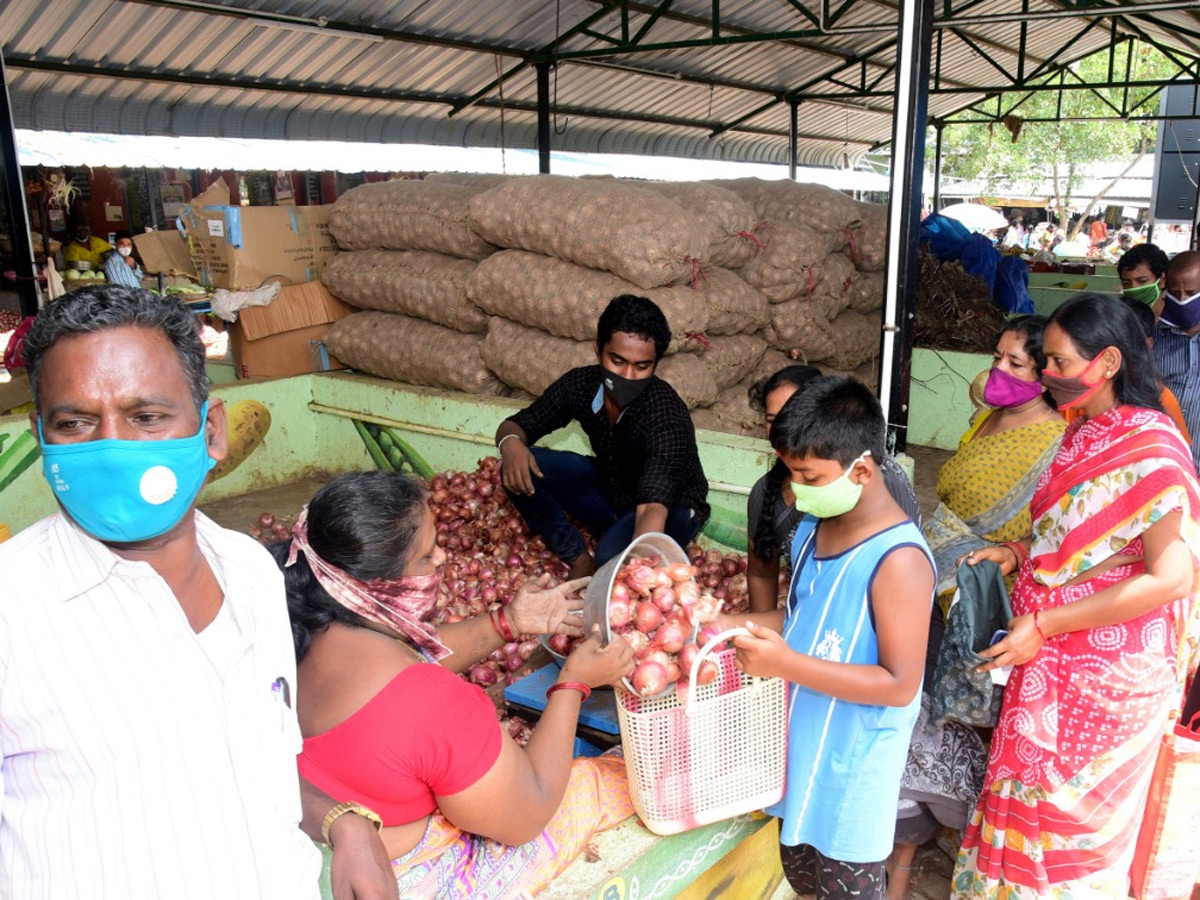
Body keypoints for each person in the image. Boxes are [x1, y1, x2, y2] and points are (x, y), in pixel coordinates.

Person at [0, 285, 396, 899]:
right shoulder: (12, 609)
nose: (113, 449)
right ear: (42, 437)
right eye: (75, 423)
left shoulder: (251, 574)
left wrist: (344, 824)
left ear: (210, 432)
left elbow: (251, 763)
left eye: (147, 417)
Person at [278, 471, 636, 897]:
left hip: (321, 839)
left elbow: (408, 663)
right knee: (603, 783)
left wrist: (509, 623)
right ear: (378, 588)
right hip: (401, 876)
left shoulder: (290, 632)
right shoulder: (433, 704)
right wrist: (573, 683)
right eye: (427, 557)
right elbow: (529, 813)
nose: (444, 558)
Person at [952, 292, 1200, 897]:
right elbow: (1064, 534)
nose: (1048, 376)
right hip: (1047, 651)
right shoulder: (1083, 431)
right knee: (1021, 797)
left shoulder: (1152, 446)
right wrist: (1016, 555)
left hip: (1105, 673)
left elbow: (1171, 577)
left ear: (1108, 363)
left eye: (1059, 363)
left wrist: (1049, 623)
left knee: (1071, 832)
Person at [723, 376, 936, 900]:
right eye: (790, 473)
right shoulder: (813, 529)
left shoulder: (899, 561)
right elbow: (799, 622)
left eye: (807, 476)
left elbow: (898, 684)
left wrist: (785, 664)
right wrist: (722, 626)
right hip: (800, 757)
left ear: (862, 469)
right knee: (803, 882)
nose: (793, 491)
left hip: (850, 778)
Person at [496, 295, 709, 578]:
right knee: (519, 466)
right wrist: (509, 445)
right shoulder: (580, 385)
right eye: (617, 361)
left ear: (656, 363)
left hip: (672, 505)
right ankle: (577, 557)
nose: (628, 375)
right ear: (598, 349)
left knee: (612, 562)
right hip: (615, 488)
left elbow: (652, 508)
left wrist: (638, 567)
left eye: (642, 366)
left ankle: (616, 548)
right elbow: (519, 424)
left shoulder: (665, 414)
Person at [745, 365, 921, 613]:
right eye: (773, 420)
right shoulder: (766, 494)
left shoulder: (878, 482)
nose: (785, 430)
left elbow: (897, 611)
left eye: (793, 417)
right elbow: (765, 578)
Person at [923, 316, 1066, 614]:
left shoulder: (1053, 441)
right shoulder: (990, 416)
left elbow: (1054, 528)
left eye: (1015, 363)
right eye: (997, 357)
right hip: (934, 546)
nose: (998, 369)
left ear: (1044, 377)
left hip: (987, 567)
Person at [1153, 250, 1200, 473]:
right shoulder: (1153, 340)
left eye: (1191, 293)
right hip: (1165, 466)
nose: (1182, 300)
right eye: (1175, 292)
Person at [1117, 241, 1169, 314]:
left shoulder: (1177, 321)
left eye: (1142, 281)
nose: (1133, 288)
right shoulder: (1117, 320)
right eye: (1126, 283)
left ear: (1162, 280)